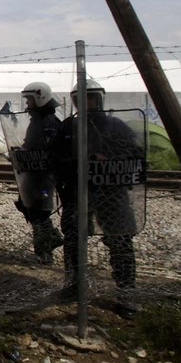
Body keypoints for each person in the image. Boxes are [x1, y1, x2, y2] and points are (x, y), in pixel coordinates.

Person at [53, 79, 143, 298]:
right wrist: (76, 163)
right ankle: (74, 284)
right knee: (74, 239)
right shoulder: (68, 127)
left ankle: (126, 288)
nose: (85, 102)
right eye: (79, 99)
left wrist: (109, 160)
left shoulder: (116, 127)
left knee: (120, 238)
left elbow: (136, 157)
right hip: (77, 193)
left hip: (112, 192)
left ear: (100, 98)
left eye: (90, 97)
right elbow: (53, 158)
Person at [12, 82, 64, 264]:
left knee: (39, 213)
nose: (27, 104)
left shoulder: (49, 122)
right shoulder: (38, 120)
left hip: (43, 177)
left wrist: (29, 152)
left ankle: (45, 252)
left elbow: (48, 149)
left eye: (30, 100)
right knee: (32, 210)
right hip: (33, 175)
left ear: (40, 98)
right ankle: (46, 246)